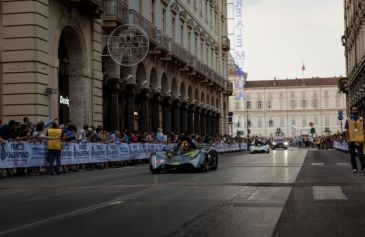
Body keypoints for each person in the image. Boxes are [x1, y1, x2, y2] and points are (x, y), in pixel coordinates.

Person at [344, 106, 365, 173]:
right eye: (353, 110)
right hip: (351, 140)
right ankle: (354, 168)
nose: (355, 111)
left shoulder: (361, 118)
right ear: (351, 111)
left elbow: (364, 129)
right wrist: (347, 138)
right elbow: (347, 130)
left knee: (361, 155)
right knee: (352, 155)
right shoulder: (348, 119)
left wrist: (363, 136)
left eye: (356, 110)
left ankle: (363, 168)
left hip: (360, 139)